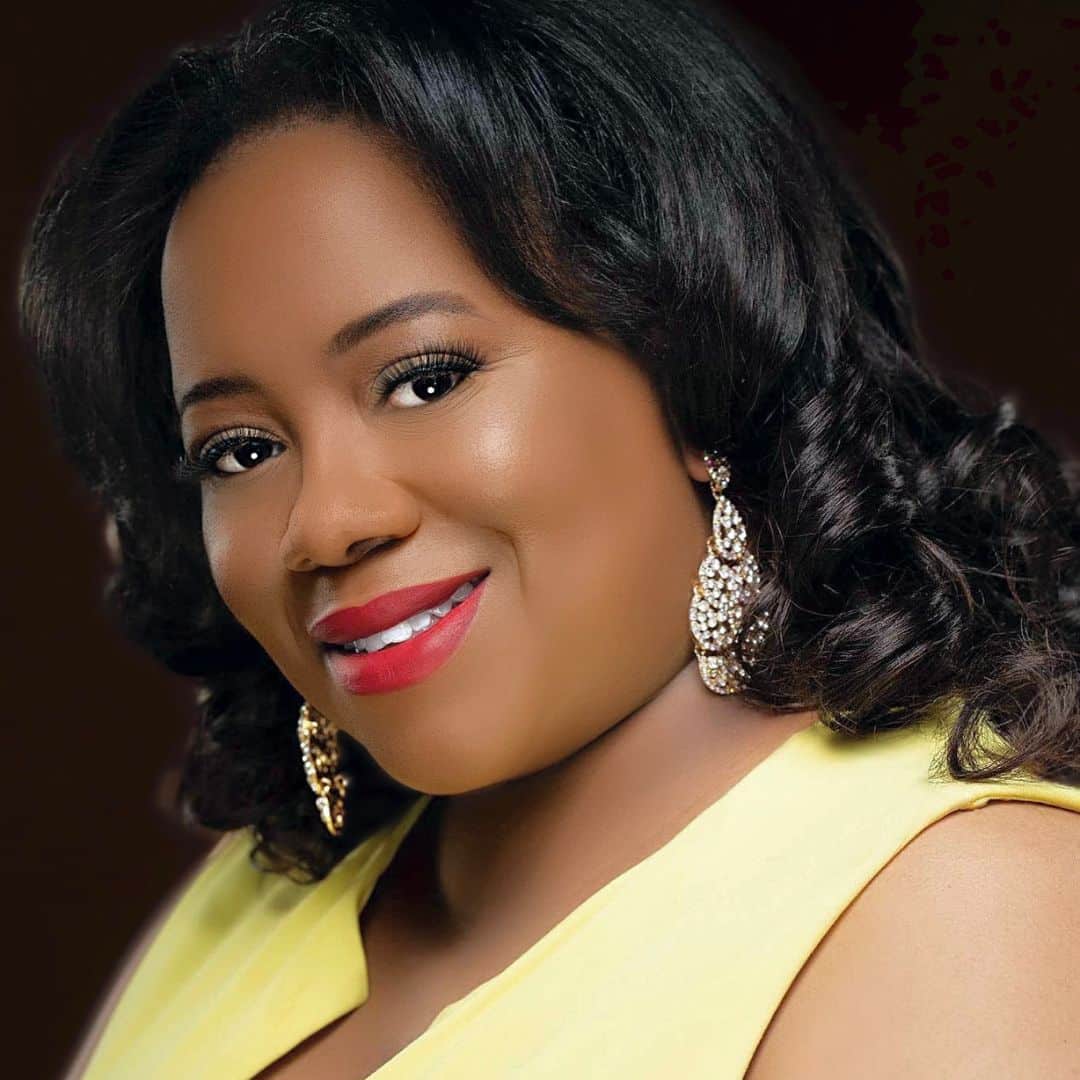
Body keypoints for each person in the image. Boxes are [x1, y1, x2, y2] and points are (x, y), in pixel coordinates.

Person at [17, 0, 1080, 1076]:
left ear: (699, 366)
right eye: (239, 451)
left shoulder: (963, 907)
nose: (325, 523)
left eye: (425, 380)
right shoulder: (245, 909)